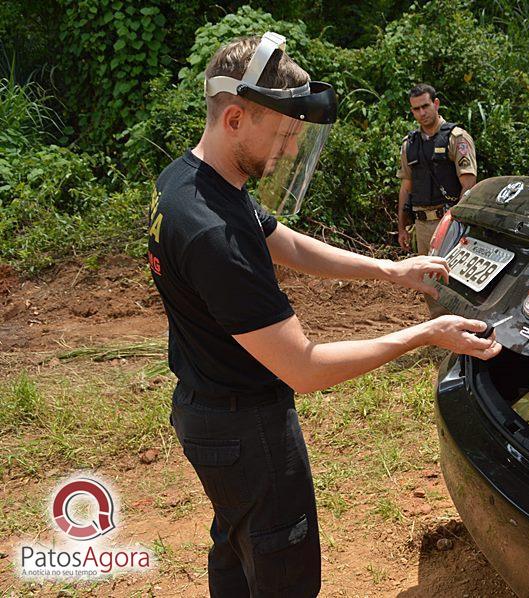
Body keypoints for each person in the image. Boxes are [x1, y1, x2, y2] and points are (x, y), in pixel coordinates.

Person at [147, 33, 500, 598]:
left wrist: (390, 270)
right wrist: (426, 334)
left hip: (208, 413)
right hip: (247, 430)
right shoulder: (215, 234)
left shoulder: (192, 182)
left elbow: (281, 241)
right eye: (284, 134)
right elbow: (305, 368)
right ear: (235, 117)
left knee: (237, 556)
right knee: (284, 578)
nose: (289, 150)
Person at [396, 83, 477, 256]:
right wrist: (402, 228)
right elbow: (405, 187)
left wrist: (456, 223)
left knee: (447, 278)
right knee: (425, 279)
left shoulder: (456, 138)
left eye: (425, 106)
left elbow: (468, 184)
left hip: (449, 223)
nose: (422, 113)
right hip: (421, 225)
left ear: (436, 104)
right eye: (416, 109)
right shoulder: (409, 144)